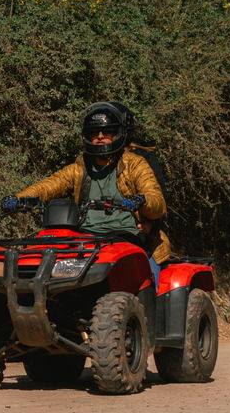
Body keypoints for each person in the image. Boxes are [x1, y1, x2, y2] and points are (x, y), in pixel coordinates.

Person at [9, 102, 170, 285]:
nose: (100, 137)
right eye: (94, 133)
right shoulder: (81, 166)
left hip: (126, 236)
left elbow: (156, 199)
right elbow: (49, 185)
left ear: (118, 133)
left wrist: (141, 201)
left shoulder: (135, 163)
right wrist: (18, 199)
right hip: (85, 238)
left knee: (148, 284)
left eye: (107, 132)